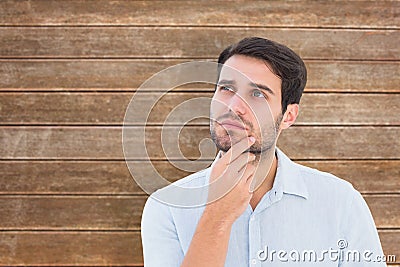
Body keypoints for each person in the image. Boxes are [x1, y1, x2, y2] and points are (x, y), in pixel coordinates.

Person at [141, 37, 386, 266]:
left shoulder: (341, 202)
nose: (235, 107)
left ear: (288, 116)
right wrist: (217, 217)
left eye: (257, 94)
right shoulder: (167, 208)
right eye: (226, 89)